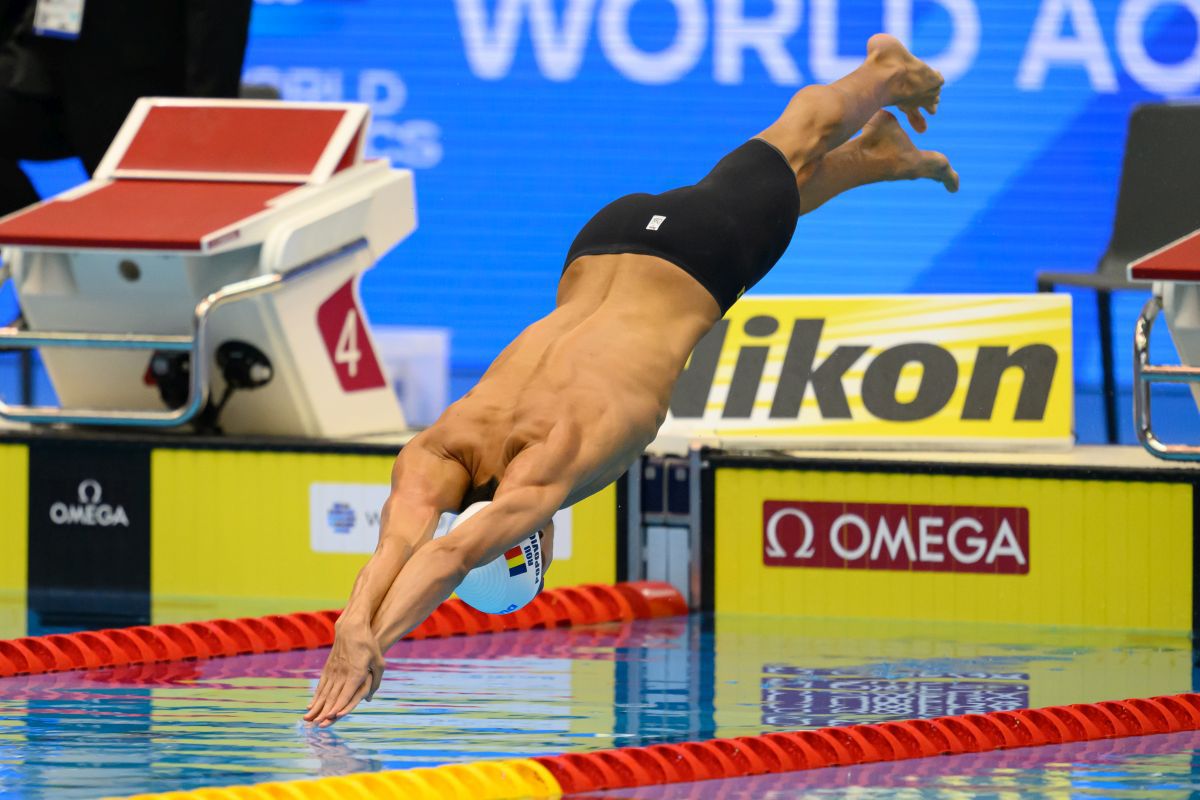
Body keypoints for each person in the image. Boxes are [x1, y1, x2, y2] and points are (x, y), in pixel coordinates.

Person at [304, 33, 959, 727]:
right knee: (766, 186)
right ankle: (878, 156)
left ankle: (883, 72)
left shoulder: (553, 466)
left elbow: (456, 554)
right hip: (599, 243)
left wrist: (383, 639)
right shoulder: (442, 444)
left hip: (699, 260)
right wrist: (354, 627)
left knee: (796, 135)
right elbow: (403, 547)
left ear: (534, 546)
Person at [0, 0, 252, 217]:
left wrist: (206, 113)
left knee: (137, 223)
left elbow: (218, 15)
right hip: (36, 59)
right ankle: (36, 248)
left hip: (135, 80)